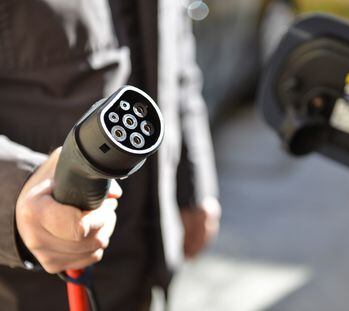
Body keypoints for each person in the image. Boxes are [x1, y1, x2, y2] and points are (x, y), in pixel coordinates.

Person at [0, 0, 220, 310]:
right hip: (29, 288)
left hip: (143, 268)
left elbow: (176, 39)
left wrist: (193, 178)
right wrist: (15, 194)